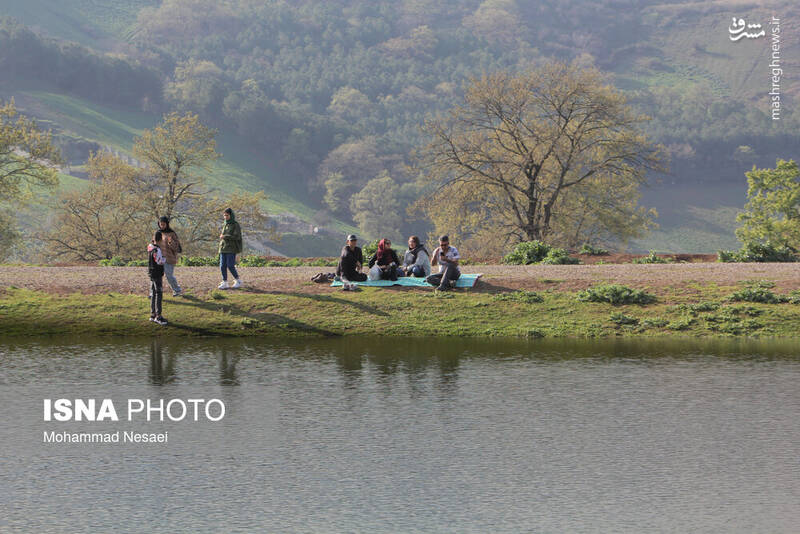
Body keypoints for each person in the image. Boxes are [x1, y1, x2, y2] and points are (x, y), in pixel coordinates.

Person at [158, 216, 183, 297]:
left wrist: (170, 242)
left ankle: (177, 290)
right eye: (160, 224)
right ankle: (155, 292)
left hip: (169, 258)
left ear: (167, 224)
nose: (162, 226)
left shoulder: (172, 233)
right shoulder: (157, 233)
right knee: (156, 276)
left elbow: (178, 248)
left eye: (163, 224)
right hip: (158, 259)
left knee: (169, 276)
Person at [218, 207, 243, 289]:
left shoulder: (235, 225)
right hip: (223, 248)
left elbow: (237, 237)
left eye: (227, 215)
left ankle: (238, 280)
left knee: (230, 265)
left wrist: (225, 236)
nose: (225, 217)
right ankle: (225, 282)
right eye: (224, 215)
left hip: (231, 248)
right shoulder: (225, 224)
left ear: (231, 215)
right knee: (222, 266)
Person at [147, 231, 168, 325]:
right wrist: (165, 259)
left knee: (153, 293)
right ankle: (158, 316)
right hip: (157, 273)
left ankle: (153, 314)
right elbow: (159, 261)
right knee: (159, 293)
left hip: (151, 273)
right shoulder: (157, 250)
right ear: (159, 240)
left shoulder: (150, 247)